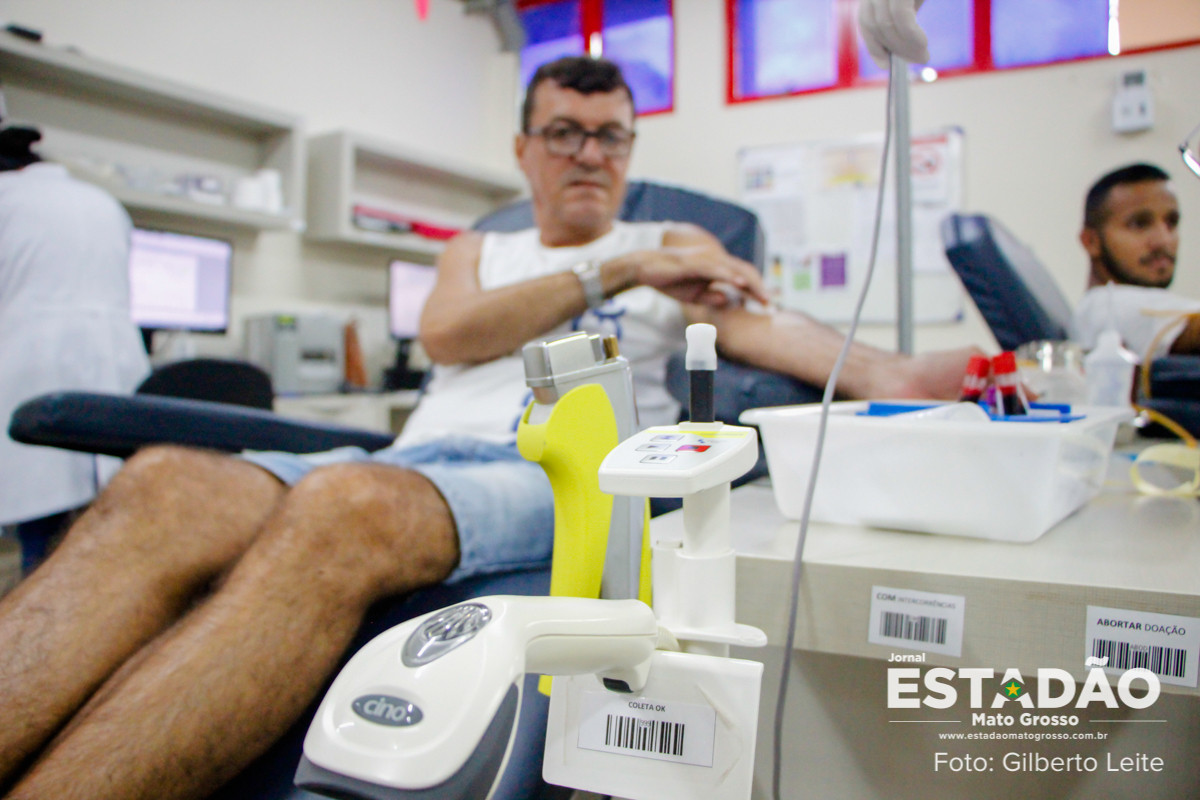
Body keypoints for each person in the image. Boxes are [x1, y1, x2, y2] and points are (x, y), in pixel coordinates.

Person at [0, 56, 979, 800]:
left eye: (610, 136)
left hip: (546, 473)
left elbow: (843, 357)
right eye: (563, 133)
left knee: (347, 506)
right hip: (409, 458)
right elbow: (451, 330)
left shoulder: (679, 248)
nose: (589, 153)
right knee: (166, 481)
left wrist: (969, 372)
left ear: (631, 150)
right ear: (523, 150)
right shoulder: (492, 245)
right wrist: (617, 269)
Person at [0, 118, 150, 555]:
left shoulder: (6, 199)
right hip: (119, 364)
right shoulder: (102, 201)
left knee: (43, 532)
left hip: (33, 364)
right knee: (104, 522)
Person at [1072, 163, 1200, 359]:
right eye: (1140, 224)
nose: (1163, 240)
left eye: (1171, 222)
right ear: (1091, 241)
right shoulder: (1104, 307)